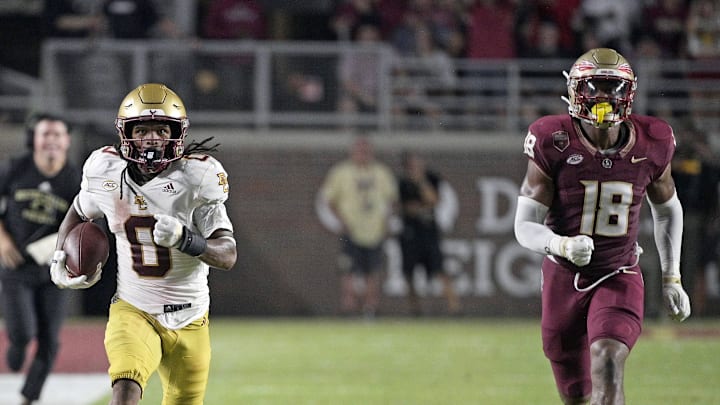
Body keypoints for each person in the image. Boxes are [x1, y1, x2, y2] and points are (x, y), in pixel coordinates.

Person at [513, 48, 691, 404]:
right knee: (576, 393)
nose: (603, 98)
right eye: (594, 86)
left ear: (629, 93)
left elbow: (668, 208)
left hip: (618, 272)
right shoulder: (553, 140)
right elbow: (524, 225)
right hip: (564, 278)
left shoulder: (652, 140)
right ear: (575, 90)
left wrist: (673, 277)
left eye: (613, 88)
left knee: (608, 359)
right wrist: (561, 245)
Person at [49, 83, 237, 405]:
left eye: (161, 129)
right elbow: (79, 211)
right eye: (143, 129)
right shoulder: (106, 170)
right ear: (126, 134)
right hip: (134, 310)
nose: (151, 138)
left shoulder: (197, 177)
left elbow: (227, 255)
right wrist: (59, 255)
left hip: (191, 318)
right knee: (124, 392)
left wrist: (185, 239)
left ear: (176, 134)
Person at [0, 113, 80, 405]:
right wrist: (3, 239)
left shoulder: (75, 180)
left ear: (67, 141)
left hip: (53, 270)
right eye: (45, 134)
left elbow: (88, 223)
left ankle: (28, 398)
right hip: (16, 265)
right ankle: (17, 345)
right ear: (34, 138)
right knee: (23, 333)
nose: (51, 140)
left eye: (57, 134)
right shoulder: (15, 168)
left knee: (50, 339)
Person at [320, 136, 397, 317]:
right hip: (351, 230)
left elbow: (391, 200)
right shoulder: (341, 172)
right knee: (348, 270)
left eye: (366, 151)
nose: (363, 155)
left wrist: (386, 222)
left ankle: (370, 308)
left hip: (374, 230)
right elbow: (329, 200)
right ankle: (349, 308)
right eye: (360, 151)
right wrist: (341, 220)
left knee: (373, 271)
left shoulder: (381, 172)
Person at [398, 151, 460, 315]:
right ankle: (415, 309)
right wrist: (421, 207)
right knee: (409, 273)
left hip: (429, 232)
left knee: (439, 269)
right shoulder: (402, 183)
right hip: (410, 234)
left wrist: (421, 182)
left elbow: (434, 200)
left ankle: (454, 308)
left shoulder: (431, 178)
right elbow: (406, 208)